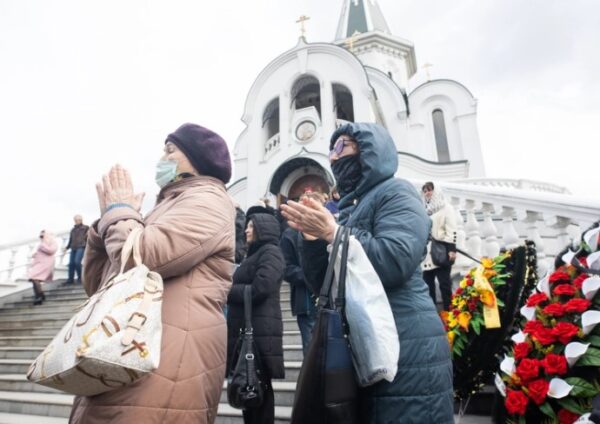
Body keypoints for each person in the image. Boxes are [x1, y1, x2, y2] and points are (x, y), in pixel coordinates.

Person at [281, 122, 454, 423]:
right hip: (365, 342)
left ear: (370, 150)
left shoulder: (396, 192)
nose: (334, 158)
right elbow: (324, 283)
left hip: (406, 341)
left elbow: (395, 259)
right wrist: (311, 240)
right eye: (331, 150)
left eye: (342, 146)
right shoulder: (350, 207)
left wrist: (334, 233)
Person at [69, 123, 235, 424]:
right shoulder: (165, 207)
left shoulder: (208, 199)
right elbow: (99, 283)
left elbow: (143, 257)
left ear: (198, 161)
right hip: (127, 352)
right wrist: (103, 225)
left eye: (171, 150)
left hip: (165, 361)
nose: (163, 158)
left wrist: (118, 212)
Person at [226, 213, 285, 424]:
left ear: (263, 229)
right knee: (249, 391)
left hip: (260, 331)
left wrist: (227, 290)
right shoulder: (252, 256)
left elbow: (262, 287)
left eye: (251, 226)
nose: (246, 230)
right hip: (250, 329)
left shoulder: (271, 252)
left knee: (259, 392)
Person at [280, 223, 317, 354]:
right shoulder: (290, 234)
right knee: (311, 353)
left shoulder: (325, 228)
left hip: (330, 299)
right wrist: (310, 275)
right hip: (307, 300)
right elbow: (286, 268)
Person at [421, 181, 458, 311]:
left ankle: (450, 315)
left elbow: (452, 229)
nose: (427, 193)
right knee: (427, 287)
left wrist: (451, 249)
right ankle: (433, 318)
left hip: (442, 251)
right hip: (427, 255)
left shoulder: (446, 208)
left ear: (435, 190)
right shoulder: (424, 211)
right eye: (425, 191)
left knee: (445, 285)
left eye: (429, 190)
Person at [27, 230, 58, 305]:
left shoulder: (52, 242)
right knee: (33, 278)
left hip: (46, 263)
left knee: (34, 277)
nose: (41, 237)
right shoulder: (42, 243)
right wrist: (36, 254)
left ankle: (39, 296)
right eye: (40, 236)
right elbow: (42, 251)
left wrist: (42, 245)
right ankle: (39, 295)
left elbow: (52, 251)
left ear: (47, 235)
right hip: (39, 263)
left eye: (42, 235)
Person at [65, 215, 89, 284]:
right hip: (73, 247)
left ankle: (80, 278)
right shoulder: (73, 230)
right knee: (71, 264)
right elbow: (70, 240)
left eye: (78, 219)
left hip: (81, 247)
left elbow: (89, 237)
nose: (77, 221)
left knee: (77, 262)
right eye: (75, 220)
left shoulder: (86, 228)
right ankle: (70, 280)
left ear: (81, 220)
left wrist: (86, 245)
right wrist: (66, 248)